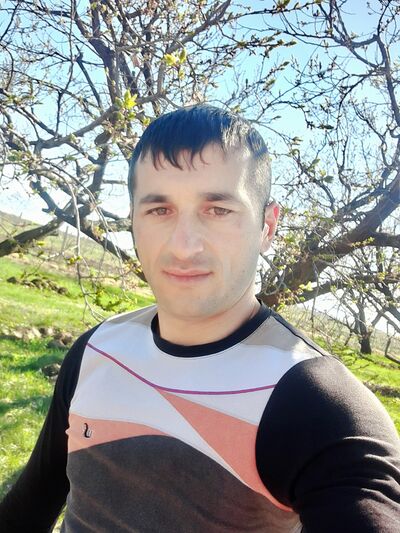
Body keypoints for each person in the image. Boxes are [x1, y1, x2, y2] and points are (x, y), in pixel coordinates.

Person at [0, 105, 399, 533]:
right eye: (159, 210)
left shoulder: (317, 404)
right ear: (133, 220)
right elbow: (28, 508)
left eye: (217, 210)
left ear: (267, 227)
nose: (184, 246)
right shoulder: (97, 349)